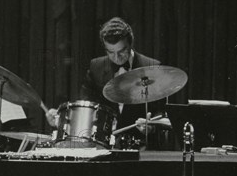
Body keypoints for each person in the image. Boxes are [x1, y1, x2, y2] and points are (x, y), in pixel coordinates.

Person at [46, 17, 169, 146]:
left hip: (142, 146)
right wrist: (62, 119)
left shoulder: (151, 66)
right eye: (111, 52)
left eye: (122, 51)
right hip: (104, 145)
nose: (116, 58)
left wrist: (152, 126)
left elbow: (160, 111)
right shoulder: (96, 67)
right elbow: (87, 104)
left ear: (131, 44)